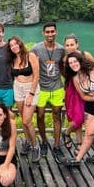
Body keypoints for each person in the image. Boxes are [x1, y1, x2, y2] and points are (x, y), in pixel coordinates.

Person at [32, 22, 65, 163]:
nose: (50, 34)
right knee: (40, 116)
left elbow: (69, 63)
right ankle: (44, 142)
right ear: (43, 33)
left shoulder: (61, 50)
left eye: (52, 31)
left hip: (57, 87)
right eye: (47, 32)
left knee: (57, 115)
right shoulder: (36, 49)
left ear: (56, 32)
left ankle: (57, 145)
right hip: (42, 88)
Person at [7, 36, 40, 162]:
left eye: (16, 44)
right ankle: (27, 141)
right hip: (18, 88)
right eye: (11, 45)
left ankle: (35, 145)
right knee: (22, 116)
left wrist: (31, 94)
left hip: (30, 88)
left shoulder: (30, 55)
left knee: (26, 121)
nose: (14, 46)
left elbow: (36, 75)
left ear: (20, 44)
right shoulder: (13, 59)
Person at [62, 34, 94, 156]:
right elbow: (66, 76)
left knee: (82, 117)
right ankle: (79, 143)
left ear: (77, 44)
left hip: (86, 89)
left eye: (72, 44)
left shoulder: (86, 55)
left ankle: (67, 133)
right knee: (77, 118)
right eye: (67, 45)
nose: (70, 47)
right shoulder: (65, 59)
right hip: (72, 90)